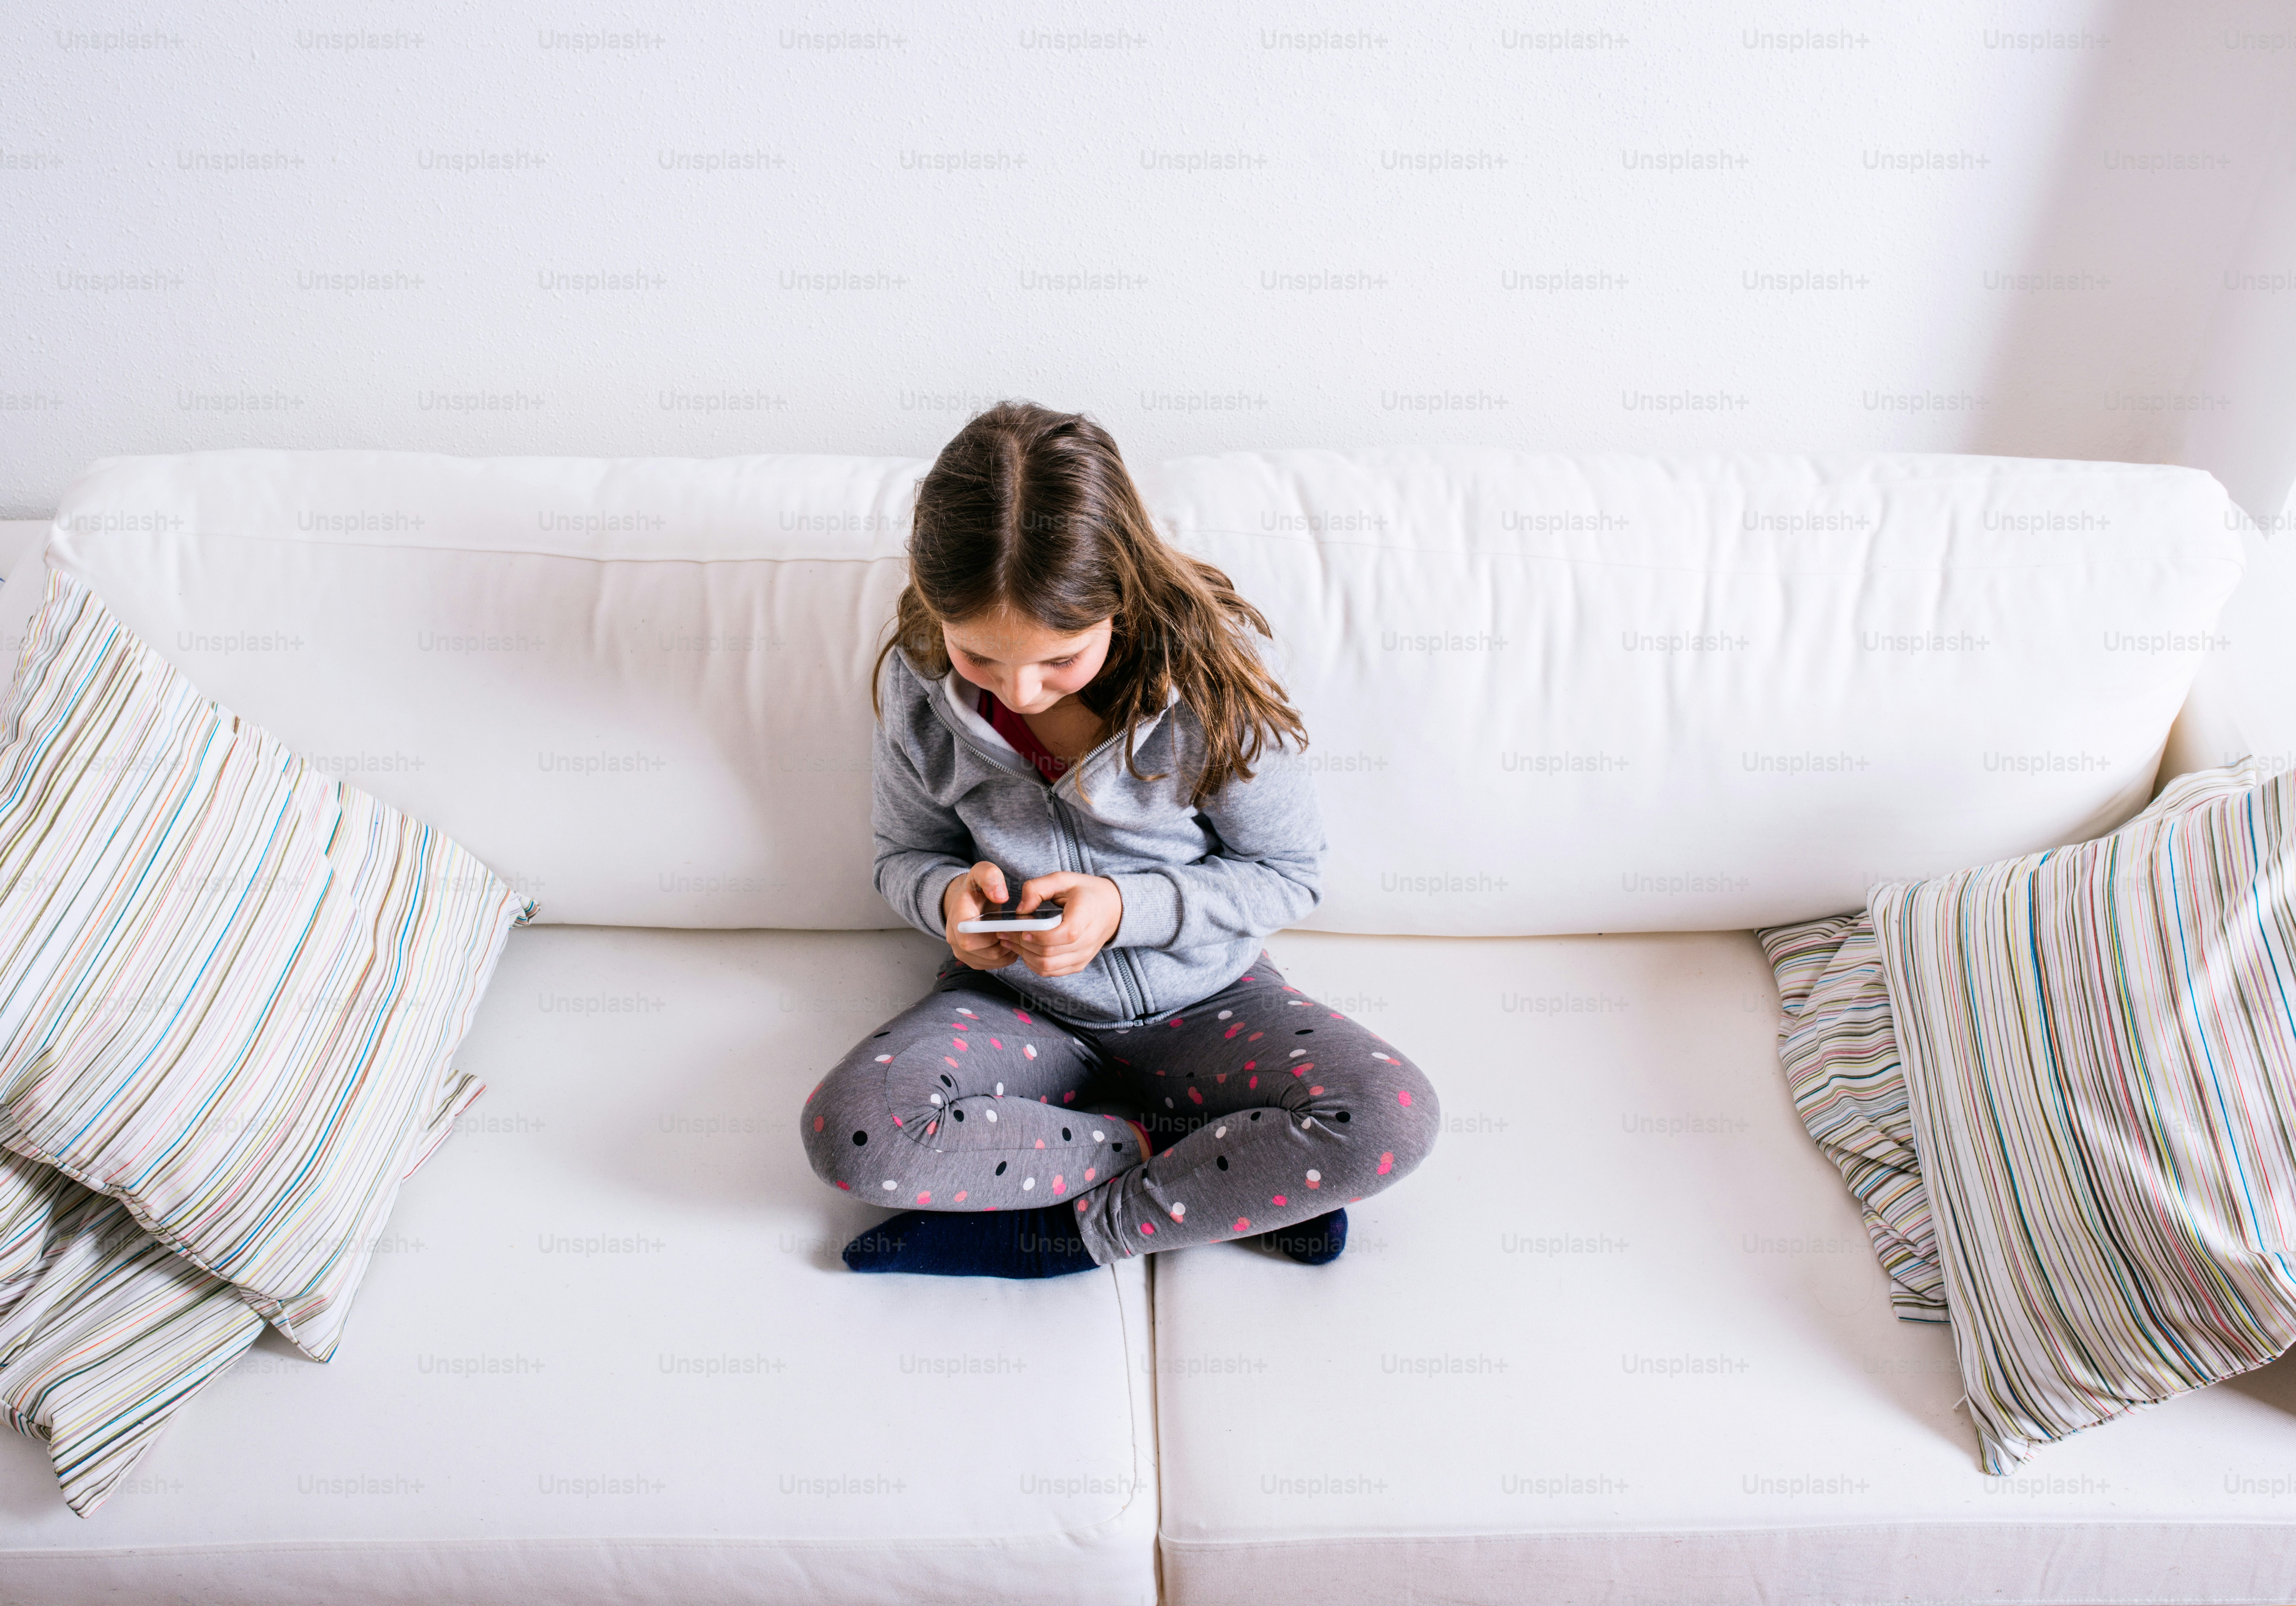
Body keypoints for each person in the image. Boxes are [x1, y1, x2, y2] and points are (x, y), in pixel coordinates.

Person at [800, 400, 1439, 1277]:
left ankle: (1073, 1232)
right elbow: (902, 856)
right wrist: (946, 899)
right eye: (979, 658)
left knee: (1389, 1116)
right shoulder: (918, 689)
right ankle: (1190, 1167)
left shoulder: (1211, 688)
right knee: (858, 1131)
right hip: (1023, 1010)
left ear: (1119, 599)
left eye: (1058, 660)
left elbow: (1287, 876)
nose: (1019, 692)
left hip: (1212, 1001)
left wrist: (1125, 909)